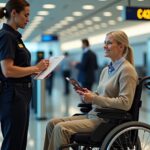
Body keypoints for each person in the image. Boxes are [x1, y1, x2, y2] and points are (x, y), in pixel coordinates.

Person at [43, 30, 138, 150]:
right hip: (94, 115)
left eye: (108, 43)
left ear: (121, 46)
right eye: (105, 42)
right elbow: (101, 95)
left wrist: (95, 98)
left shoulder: (127, 70)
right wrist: (89, 95)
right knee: (51, 124)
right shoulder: (106, 70)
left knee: (60, 128)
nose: (104, 46)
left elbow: (125, 103)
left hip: (107, 120)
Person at [0, 1, 49, 150]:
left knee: (20, 141)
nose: (28, 19)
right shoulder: (6, 36)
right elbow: (7, 70)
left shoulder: (15, 37)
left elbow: (19, 68)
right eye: (26, 15)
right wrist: (35, 67)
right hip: (13, 95)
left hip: (21, 94)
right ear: (14, 13)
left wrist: (36, 71)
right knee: (13, 143)